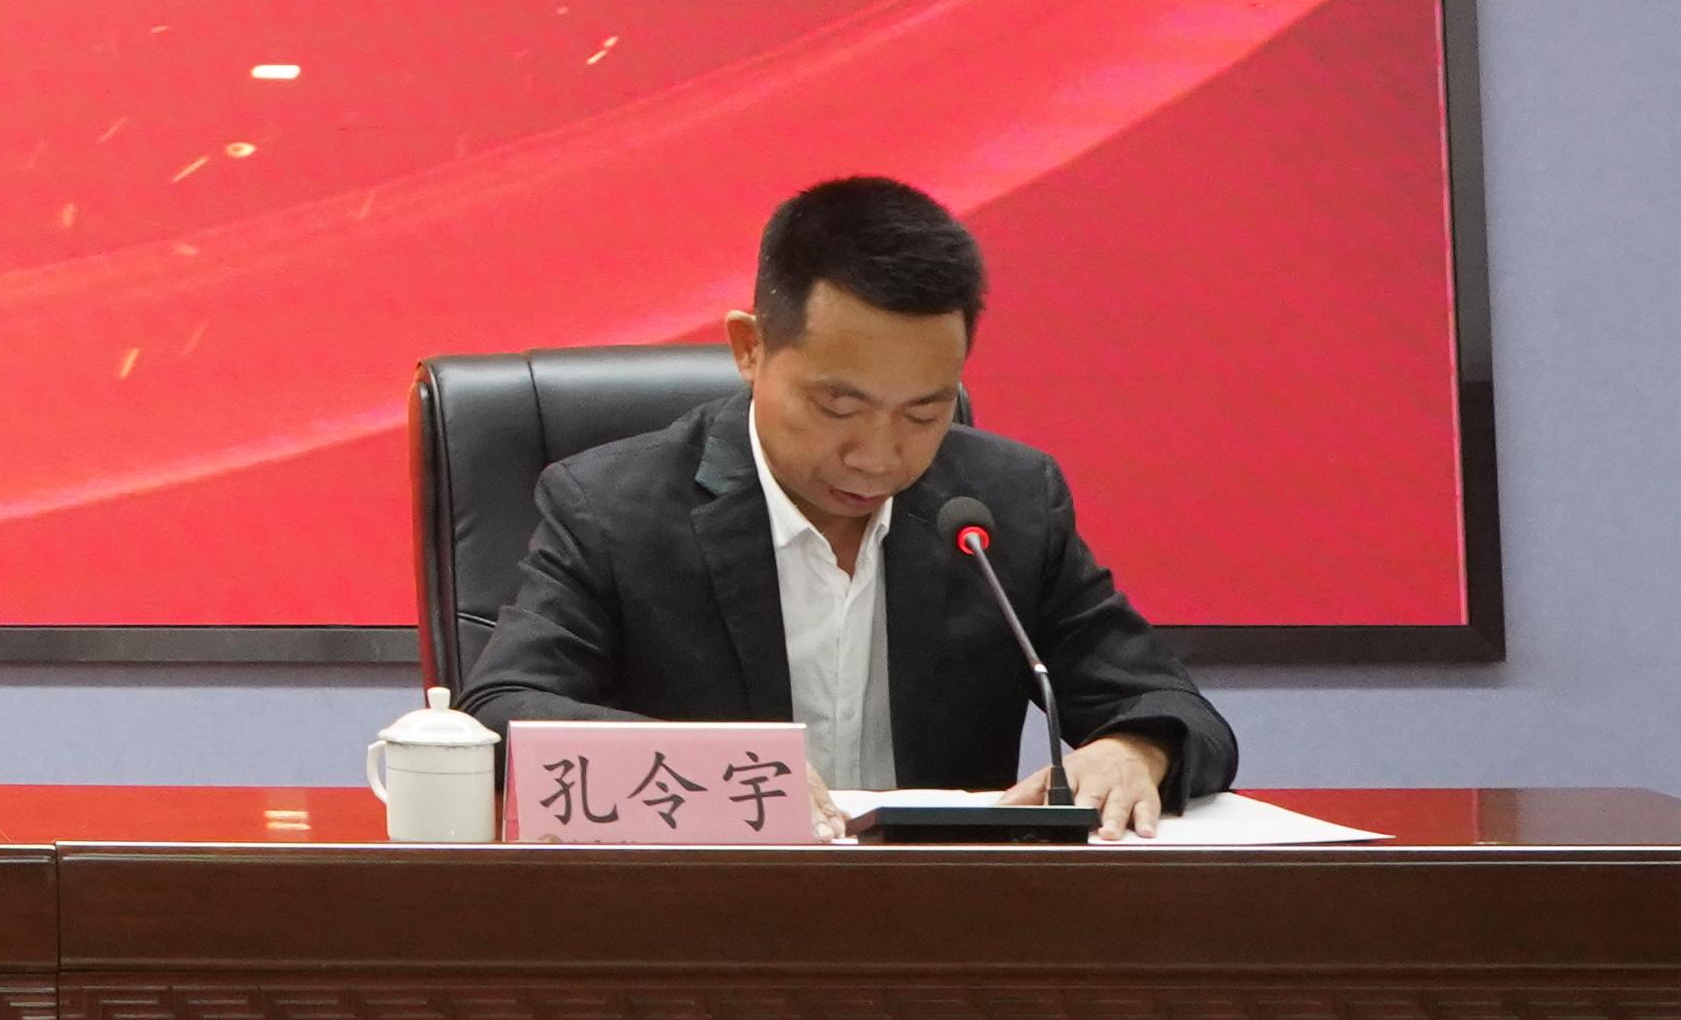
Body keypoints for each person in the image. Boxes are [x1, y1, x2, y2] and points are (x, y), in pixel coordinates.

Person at [460, 176, 1236, 836]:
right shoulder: (611, 508)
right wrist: (725, 773)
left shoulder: (1004, 504)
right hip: (703, 915)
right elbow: (498, 712)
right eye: (839, 407)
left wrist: (1136, 749)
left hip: (943, 921)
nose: (879, 456)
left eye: (923, 413)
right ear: (750, 349)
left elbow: (1171, 706)